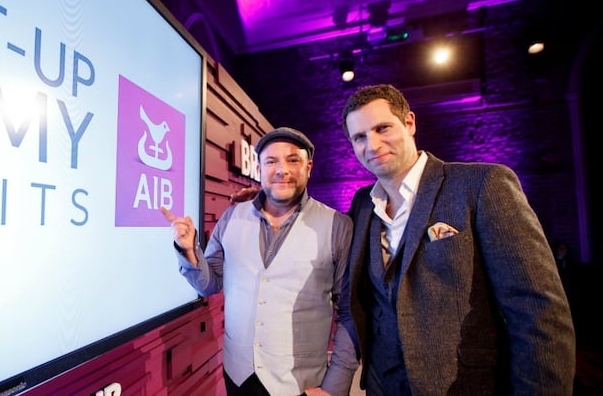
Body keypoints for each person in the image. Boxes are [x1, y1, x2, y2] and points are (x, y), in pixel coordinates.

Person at [331, 83, 576, 394]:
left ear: (409, 123)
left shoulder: (483, 185)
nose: (373, 144)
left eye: (383, 128)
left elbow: (538, 312)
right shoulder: (362, 204)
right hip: (384, 386)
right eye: (360, 137)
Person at [161, 127, 358, 396]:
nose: (281, 170)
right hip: (238, 375)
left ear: (309, 167)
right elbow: (209, 284)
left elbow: (349, 312)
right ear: (260, 168)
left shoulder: (338, 226)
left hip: (302, 384)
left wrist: (334, 388)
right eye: (271, 161)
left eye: (293, 160)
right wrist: (188, 251)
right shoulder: (232, 217)